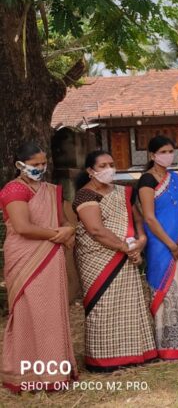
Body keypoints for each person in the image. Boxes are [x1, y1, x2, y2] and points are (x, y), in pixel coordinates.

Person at [0, 142, 77, 392]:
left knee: (52, 313)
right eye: (35, 165)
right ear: (19, 165)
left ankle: (55, 374)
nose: (40, 168)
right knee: (28, 313)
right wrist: (59, 233)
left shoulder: (51, 190)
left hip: (50, 256)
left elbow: (66, 222)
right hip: (25, 258)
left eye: (43, 163)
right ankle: (26, 375)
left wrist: (68, 229)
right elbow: (22, 227)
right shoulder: (13, 189)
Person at [73, 150, 156, 371]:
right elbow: (96, 230)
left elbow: (137, 219)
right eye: (102, 166)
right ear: (90, 171)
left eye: (111, 164)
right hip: (98, 258)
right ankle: (103, 360)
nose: (109, 169)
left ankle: (134, 353)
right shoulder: (85, 195)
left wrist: (141, 240)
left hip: (127, 253)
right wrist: (125, 248)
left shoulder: (124, 192)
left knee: (128, 304)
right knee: (103, 305)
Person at [135, 136, 178, 360]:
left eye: (171, 150)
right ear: (152, 155)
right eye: (163, 151)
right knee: (166, 291)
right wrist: (172, 245)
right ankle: (167, 345)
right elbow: (150, 218)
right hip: (160, 245)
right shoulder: (146, 181)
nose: (168, 155)